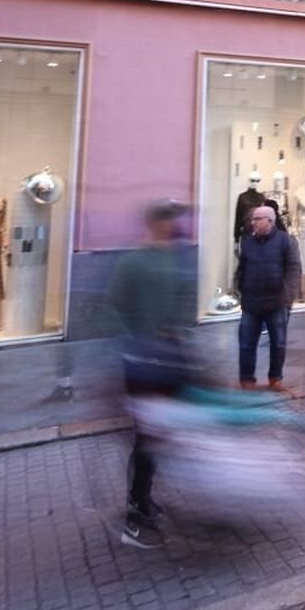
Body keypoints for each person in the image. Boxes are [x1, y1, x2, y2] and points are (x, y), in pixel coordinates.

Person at [108, 198, 195, 550]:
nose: (174, 224)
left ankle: (144, 498)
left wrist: (177, 337)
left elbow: (180, 303)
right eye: (169, 219)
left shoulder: (173, 255)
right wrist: (140, 336)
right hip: (142, 359)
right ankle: (134, 512)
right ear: (156, 221)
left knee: (158, 433)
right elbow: (117, 303)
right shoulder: (135, 259)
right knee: (147, 435)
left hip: (169, 357)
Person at [234, 204, 301, 391]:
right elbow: (242, 268)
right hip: (251, 303)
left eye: (257, 219)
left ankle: (275, 379)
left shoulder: (285, 241)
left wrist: (287, 299)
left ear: (269, 221)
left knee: (278, 343)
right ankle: (247, 380)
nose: (252, 222)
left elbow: (294, 270)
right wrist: (240, 290)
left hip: (277, 302)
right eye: (252, 219)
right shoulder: (247, 242)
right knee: (246, 343)